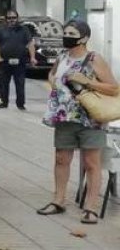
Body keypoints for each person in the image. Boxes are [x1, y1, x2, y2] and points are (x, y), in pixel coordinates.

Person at [37, 21, 119, 224]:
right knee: (61, 159)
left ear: (84, 38)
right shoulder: (62, 56)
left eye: (71, 33)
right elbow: (52, 74)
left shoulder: (93, 58)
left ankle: (90, 208)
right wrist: (53, 82)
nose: (66, 36)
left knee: (91, 163)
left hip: (90, 118)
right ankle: (58, 200)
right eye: (65, 32)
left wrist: (86, 81)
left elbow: (114, 88)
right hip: (65, 117)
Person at [0, 10, 36, 110]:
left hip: (20, 61)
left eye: (14, 18)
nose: (11, 20)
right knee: (4, 84)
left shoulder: (24, 30)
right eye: (9, 18)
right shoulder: (1, 30)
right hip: (5, 61)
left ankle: (20, 104)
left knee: (20, 83)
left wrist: (32, 57)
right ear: (6, 19)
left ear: (17, 18)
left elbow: (30, 44)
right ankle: (4, 103)